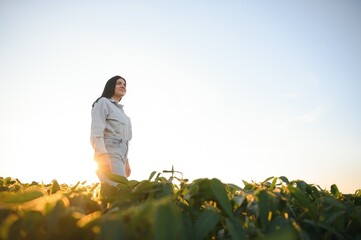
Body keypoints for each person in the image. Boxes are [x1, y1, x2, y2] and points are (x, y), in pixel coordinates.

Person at [90, 75, 132, 187]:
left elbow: (125, 139)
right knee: (121, 191)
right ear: (111, 86)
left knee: (117, 193)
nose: (122, 85)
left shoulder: (123, 114)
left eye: (124, 84)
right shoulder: (103, 102)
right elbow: (96, 131)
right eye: (119, 83)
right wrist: (102, 155)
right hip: (109, 153)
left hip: (121, 156)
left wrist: (126, 162)